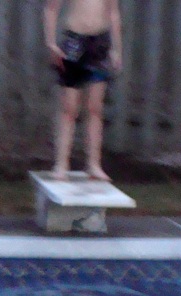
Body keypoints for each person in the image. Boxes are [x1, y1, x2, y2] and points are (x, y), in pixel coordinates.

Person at [43, 0, 123, 181]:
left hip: (99, 44)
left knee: (95, 108)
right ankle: (61, 164)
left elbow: (113, 12)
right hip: (74, 42)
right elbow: (51, 9)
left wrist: (116, 49)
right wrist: (51, 43)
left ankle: (94, 164)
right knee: (69, 108)